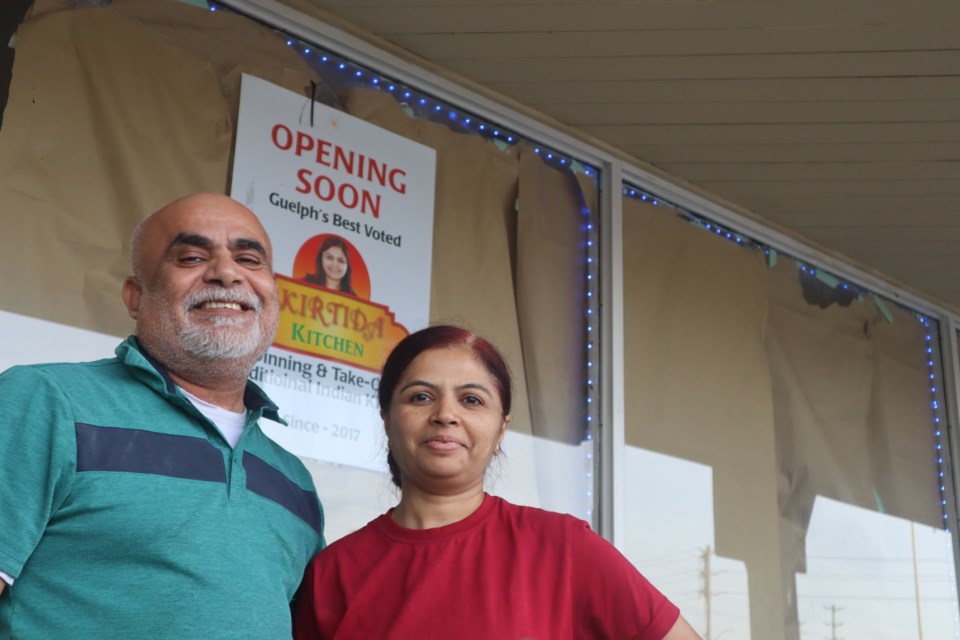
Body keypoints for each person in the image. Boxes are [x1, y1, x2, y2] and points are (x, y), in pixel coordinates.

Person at [0, 193, 325, 639]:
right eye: (191, 256)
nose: (227, 273)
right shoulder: (46, 401)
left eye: (249, 259)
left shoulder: (295, 481)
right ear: (135, 297)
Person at [293, 325, 701, 639]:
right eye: (420, 397)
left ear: (501, 428)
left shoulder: (562, 547)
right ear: (386, 416)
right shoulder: (331, 574)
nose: (445, 414)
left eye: (471, 400)